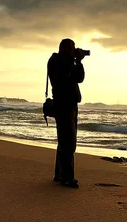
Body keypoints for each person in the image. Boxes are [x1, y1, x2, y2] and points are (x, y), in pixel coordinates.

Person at [47, 38, 85, 188]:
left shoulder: (65, 61)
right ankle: (67, 178)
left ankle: (60, 174)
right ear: (64, 49)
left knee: (64, 141)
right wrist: (75, 61)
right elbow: (63, 76)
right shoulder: (57, 61)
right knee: (68, 142)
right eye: (71, 49)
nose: (73, 51)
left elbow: (79, 78)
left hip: (69, 105)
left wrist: (78, 62)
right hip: (64, 105)